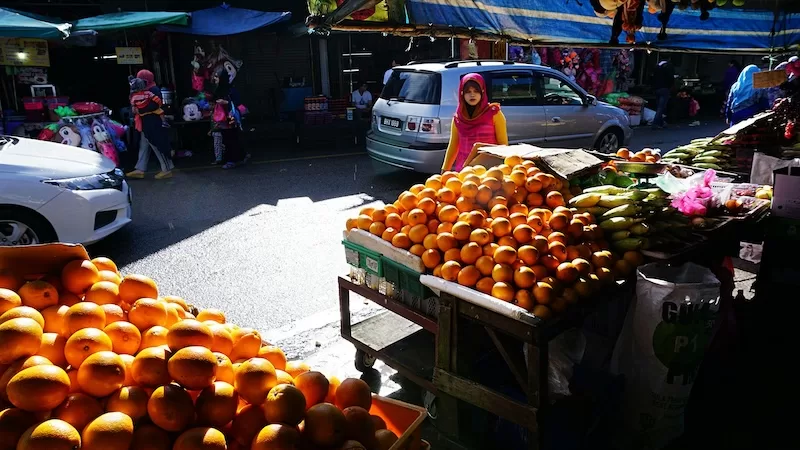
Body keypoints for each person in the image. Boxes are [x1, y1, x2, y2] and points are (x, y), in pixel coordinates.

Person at [441, 73, 508, 172]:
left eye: (476, 91)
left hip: (490, 172)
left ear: (482, 91)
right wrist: (445, 170)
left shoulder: (494, 113)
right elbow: (453, 146)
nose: (472, 95)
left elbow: (503, 146)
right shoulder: (458, 118)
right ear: (462, 94)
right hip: (464, 172)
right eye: (468, 91)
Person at [126, 69, 174, 179]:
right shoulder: (141, 90)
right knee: (144, 145)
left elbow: (155, 105)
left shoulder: (153, 90)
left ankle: (167, 169)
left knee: (157, 144)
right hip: (145, 122)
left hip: (153, 122)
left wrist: (140, 111)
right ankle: (140, 168)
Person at [211, 69, 245, 169]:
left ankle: (232, 160)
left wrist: (225, 102)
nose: (215, 78)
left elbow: (238, 103)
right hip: (222, 119)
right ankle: (237, 157)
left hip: (230, 118)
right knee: (227, 139)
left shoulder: (231, 89)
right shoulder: (219, 89)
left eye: (217, 76)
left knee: (231, 138)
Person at [652, 60, 674, 129]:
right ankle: (655, 123)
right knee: (661, 107)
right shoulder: (668, 67)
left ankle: (661, 123)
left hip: (656, 88)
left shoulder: (656, 68)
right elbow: (671, 78)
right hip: (664, 89)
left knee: (659, 106)